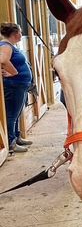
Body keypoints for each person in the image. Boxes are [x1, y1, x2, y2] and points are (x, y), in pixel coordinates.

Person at [0, 22, 33, 154]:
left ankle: (17, 137)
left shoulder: (10, 45)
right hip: (14, 85)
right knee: (12, 115)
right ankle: (11, 142)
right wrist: (14, 73)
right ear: (15, 33)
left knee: (17, 113)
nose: (21, 34)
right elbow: (2, 60)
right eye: (20, 32)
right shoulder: (5, 46)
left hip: (19, 85)